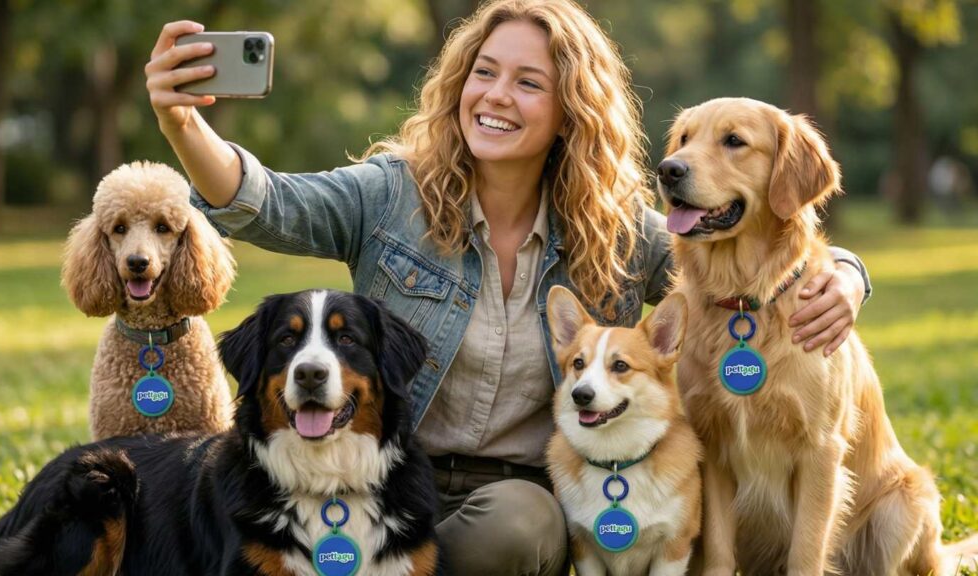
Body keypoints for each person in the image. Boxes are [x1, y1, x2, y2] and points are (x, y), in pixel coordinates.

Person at [145, 1, 870, 573]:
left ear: (570, 113)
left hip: (516, 493)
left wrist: (846, 275)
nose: (496, 96)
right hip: (385, 475)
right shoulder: (390, 194)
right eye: (484, 73)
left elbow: (738, 263)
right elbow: (267, 201)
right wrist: (183, 128)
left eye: (528, 83)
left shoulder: (615, 229)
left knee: (518, 532)